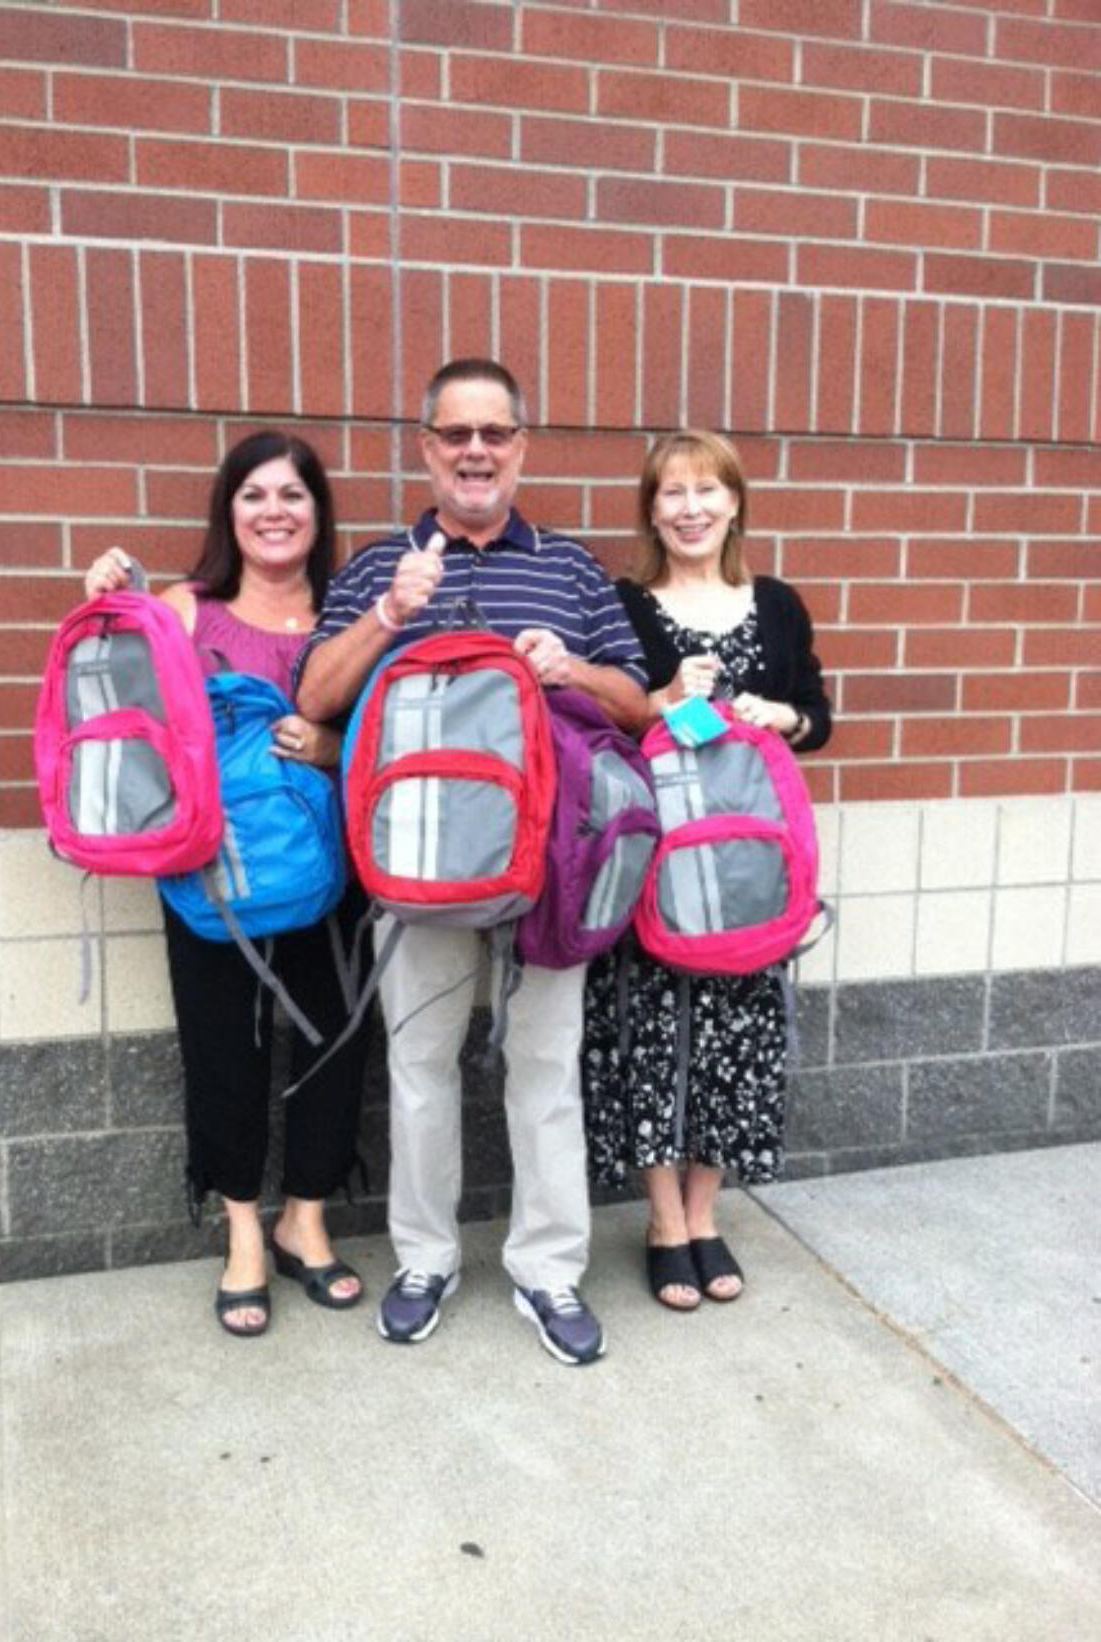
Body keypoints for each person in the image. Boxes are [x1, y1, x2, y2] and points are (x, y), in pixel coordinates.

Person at [295, 358, 648, 1365]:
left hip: (547, 873)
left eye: (494, 433)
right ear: (425, 447)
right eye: (455, 434)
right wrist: (390, 614)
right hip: (414, 875)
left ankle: (546, 1270)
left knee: (543, 1072)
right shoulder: (375, 566)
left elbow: (637, 705)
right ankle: (424, 1259)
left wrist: (566, 666)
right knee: (417, 1068)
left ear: (521, 446)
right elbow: (316, 698)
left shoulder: (573, 570)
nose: (475, 451)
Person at [83, 431, 372, 1337]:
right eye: (254, 495)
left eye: (292, 494)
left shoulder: (349, 612)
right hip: (210, 869)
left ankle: (307, 1220)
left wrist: (334, 747)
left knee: (336, 1040)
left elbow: (393, 734)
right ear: (229, 511)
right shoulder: (183, 609)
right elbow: (127, 703)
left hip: (336, 870)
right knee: (222, 1045)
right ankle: (243, 1229)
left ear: (318, 512)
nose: (274, 512)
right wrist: (105, 601)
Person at [581, 430, 831, 1311]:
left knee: (741, 1039)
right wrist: (662, 699)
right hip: (662, 859)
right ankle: (659, 1222)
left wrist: (783, 716)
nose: (690, 509)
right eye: (672, 492)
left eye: (707, 491)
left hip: (755, 859)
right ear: (651, 508)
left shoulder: (777, 604)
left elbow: (819, 714)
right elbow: (603, 723)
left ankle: (705, 1212)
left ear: (735, 502)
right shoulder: (625, 605)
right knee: (652, 1037)